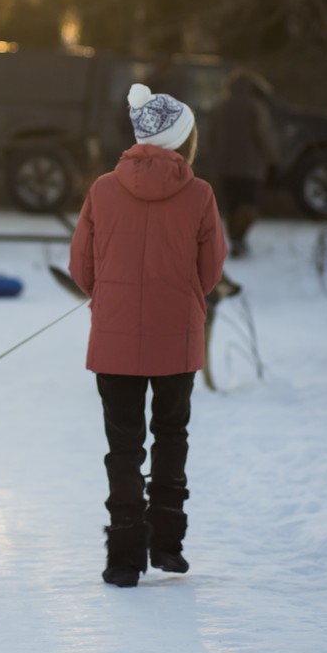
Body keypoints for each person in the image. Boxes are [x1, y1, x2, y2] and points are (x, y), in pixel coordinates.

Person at [69, 83, 227, 588]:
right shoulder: (200, 195)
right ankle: (167, 544)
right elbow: (211, 269)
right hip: (177, 339)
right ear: (183, 140)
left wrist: (111, 295)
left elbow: (80, 267)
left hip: (114, 341)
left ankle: (123, 557)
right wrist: (179, 296)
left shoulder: (102, 189)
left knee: (123, 446)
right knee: (171, 435)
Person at [208, 68, 280, 258]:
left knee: (232, 206)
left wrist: (214, 157)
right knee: (249, 206)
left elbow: (211, 136)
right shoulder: (256, 106)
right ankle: (239, 239)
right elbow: (263, 135)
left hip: (225, 165)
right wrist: (273, 159)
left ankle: (236, 240)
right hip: (250, 166)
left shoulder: (220, 106)